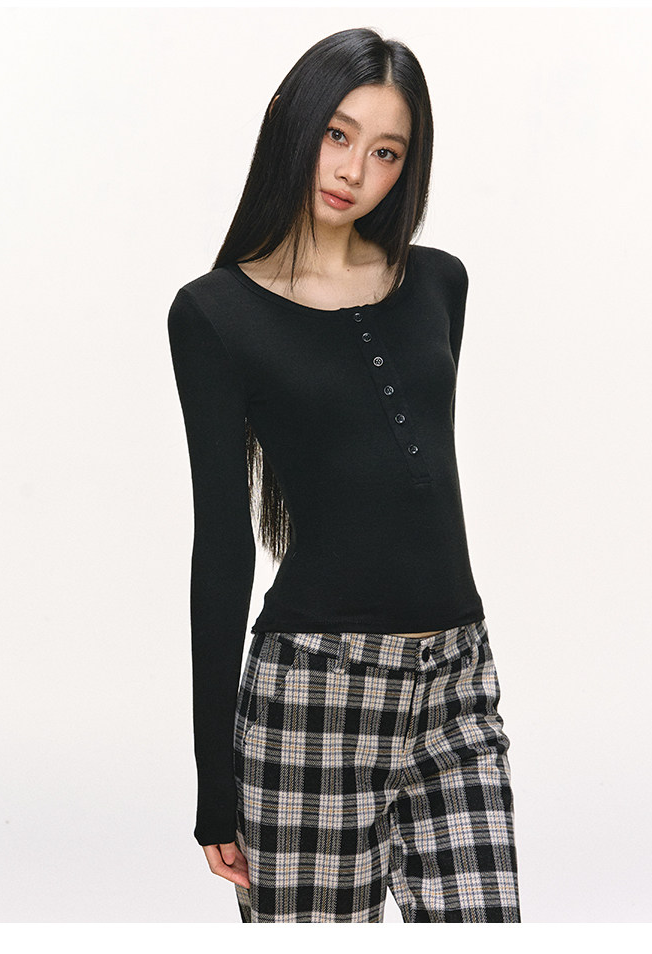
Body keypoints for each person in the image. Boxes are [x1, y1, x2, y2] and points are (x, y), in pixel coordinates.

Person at [167, 27, 520, 923]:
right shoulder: (214, 314)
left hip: (458, 681)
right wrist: (215, 784)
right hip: (314, 693)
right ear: (293, 123)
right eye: (337, 133)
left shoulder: (440, 284)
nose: (355, 169)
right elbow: (223, 547)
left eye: (386, 151)